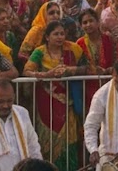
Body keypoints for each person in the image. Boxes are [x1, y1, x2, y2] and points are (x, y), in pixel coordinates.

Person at [22, 17, 86, 171]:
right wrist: (47, 75)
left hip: (69, 104)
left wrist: (71, 70)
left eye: (62, 34)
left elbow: (86, 68)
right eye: (56, 34)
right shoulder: (40, 52)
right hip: (46, 104)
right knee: (47, 141)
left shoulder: (73, 49)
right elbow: (26, 71)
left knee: (70, 141)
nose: (60, 37)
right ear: (47, 37)